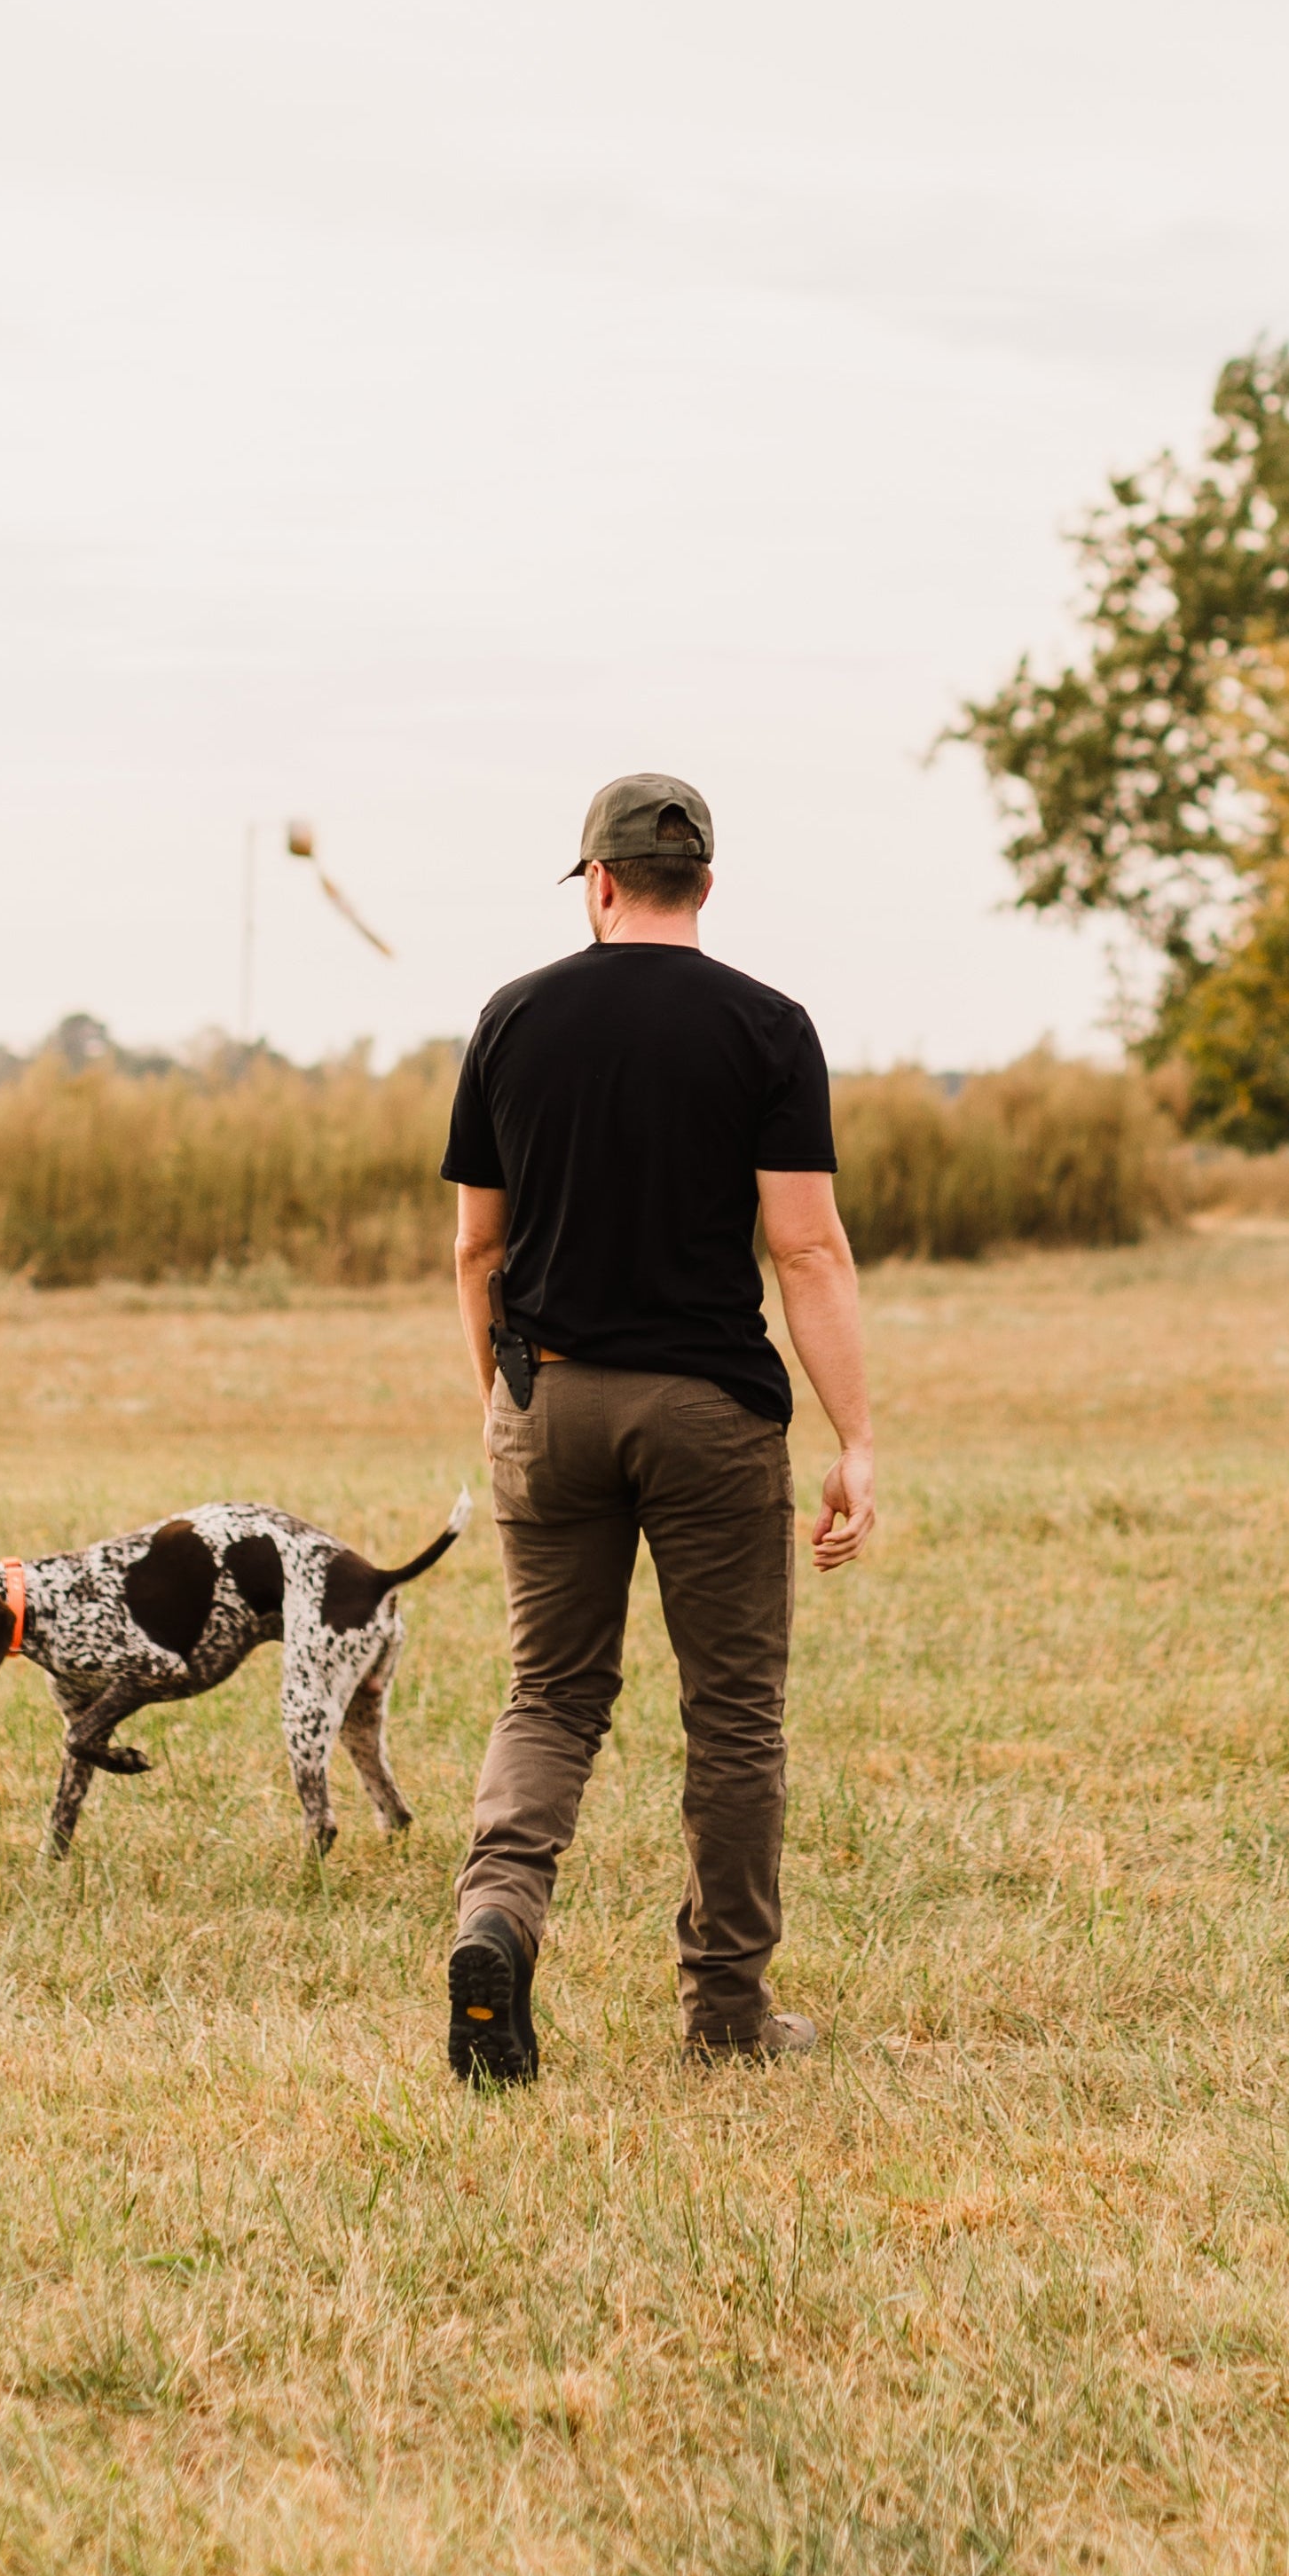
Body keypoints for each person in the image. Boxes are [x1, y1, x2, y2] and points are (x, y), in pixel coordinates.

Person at [438, 770, 876, 2082]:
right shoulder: (768, 1025)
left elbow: (477, 1251)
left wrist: (503, 1397)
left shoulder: (514, 1019)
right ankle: (727, 2016)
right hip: (711, 1415)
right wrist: (856, 1437)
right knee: (734, 1715)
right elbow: (807, 1251)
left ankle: (496, 1925)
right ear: (704, 884)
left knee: (551, 1695)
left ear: (602, 885)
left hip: (551, 1399)